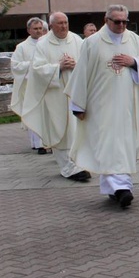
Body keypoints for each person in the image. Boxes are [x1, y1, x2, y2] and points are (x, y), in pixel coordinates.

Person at [65, 4, 139, 209]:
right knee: (107, 144)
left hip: (127, 105)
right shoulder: (92, 43)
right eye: (117, 21)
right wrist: (78, 104)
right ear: (106, 20)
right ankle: (122, 188)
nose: (121, 25)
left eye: (125, 21)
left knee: (122, 145)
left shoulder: (134, 39)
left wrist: (134, 61)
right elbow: (81, 74)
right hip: (100, 105)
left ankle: (113, 188)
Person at [21, 12, 90, 181]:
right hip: (55, 95)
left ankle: (78, 164)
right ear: (51, 26)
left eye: (65, 22)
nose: (64, 26)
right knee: (60, 129)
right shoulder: (43, 44)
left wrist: (76, 64)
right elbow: (36, 69)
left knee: (77, 130)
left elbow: (88, 62)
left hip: (75, 92)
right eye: (59, 23)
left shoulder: (77, 40)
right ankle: (68, 168)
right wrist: (58, 67)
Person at [10, 17, 47, 154]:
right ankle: (38, 144)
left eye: (40, 28)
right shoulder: (22, 47)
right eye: (35, 29)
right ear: (28, 30)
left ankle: (48, 142)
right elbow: (15, 66)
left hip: (46, 85)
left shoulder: (47, 43)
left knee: (47, 115)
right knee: (34, 114)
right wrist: (32, 65)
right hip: (31, 86)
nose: (38, 31)